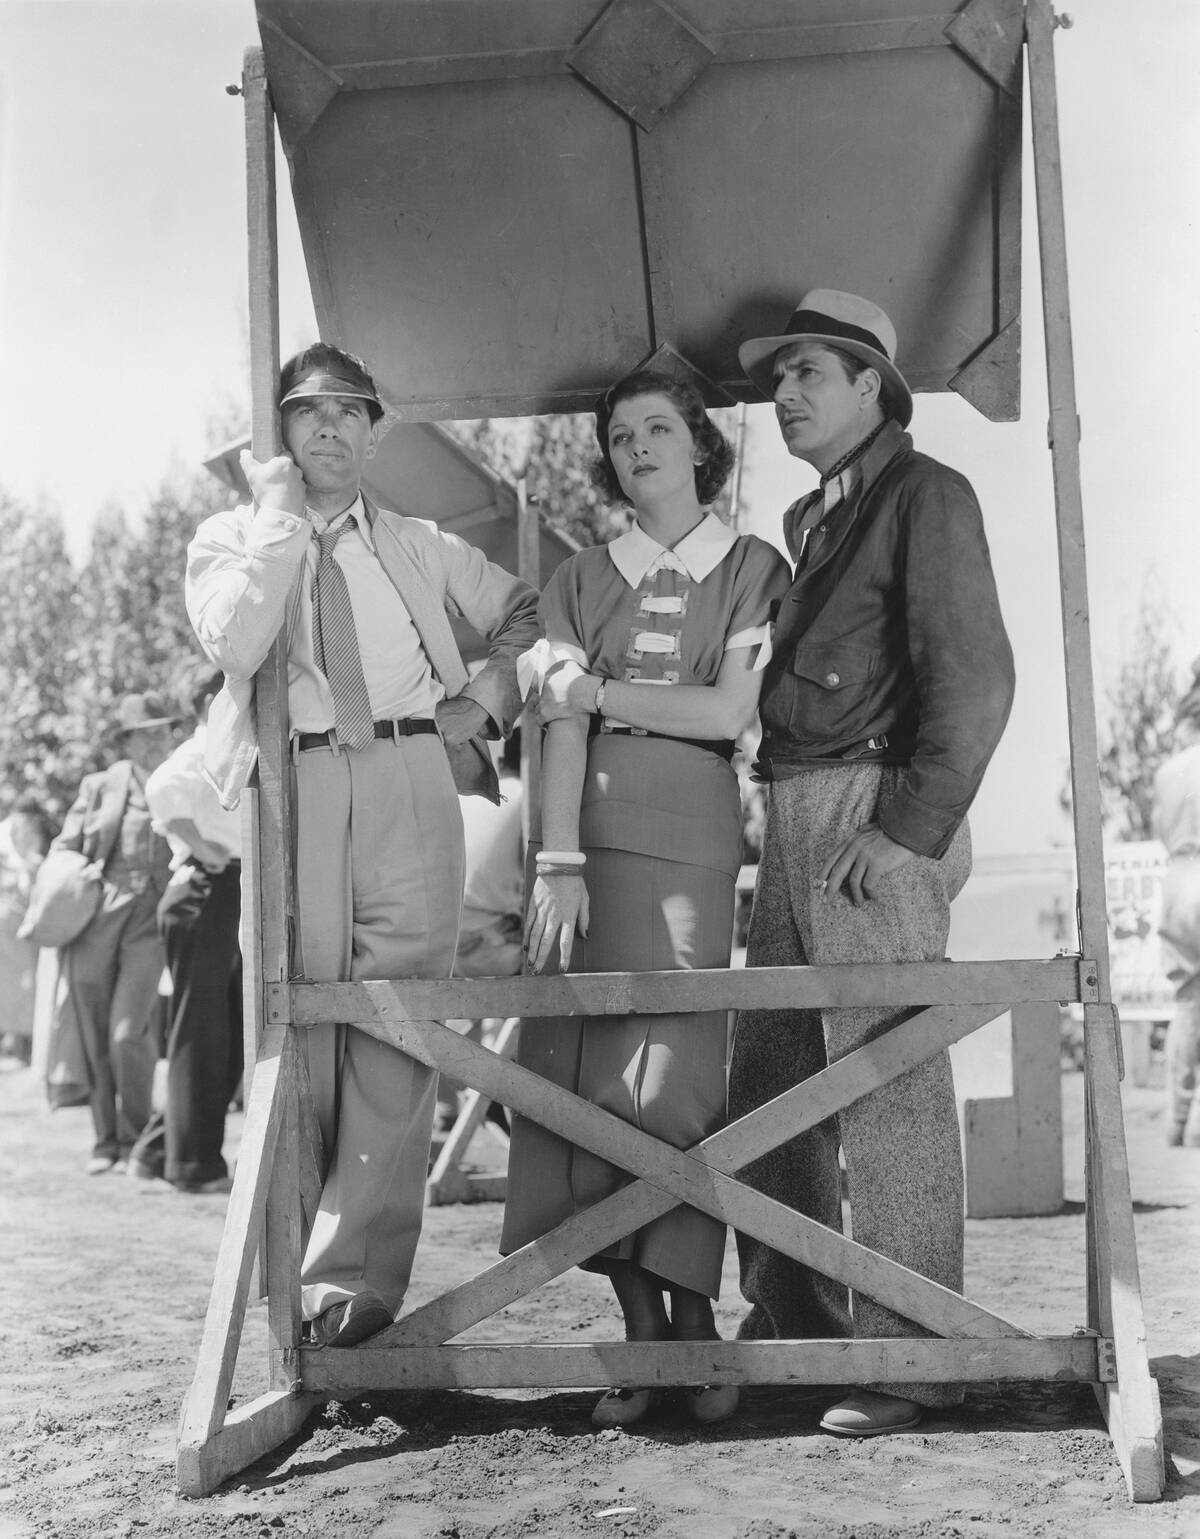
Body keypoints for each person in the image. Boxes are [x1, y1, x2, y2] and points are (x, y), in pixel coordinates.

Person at [185, 342, 539, 1348]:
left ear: (378, 430)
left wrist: (477, 705)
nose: (331, 426)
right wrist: (280, 520)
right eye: (307, 410)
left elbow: (522, 612)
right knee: (294, 1013)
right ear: (279, 433)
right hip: (291, 783)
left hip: (410, 775)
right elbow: (238, 643)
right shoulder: (229, 538)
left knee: (398, 1018)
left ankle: (354, 1288)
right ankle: (286, 1269)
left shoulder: (419, 543)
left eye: (350, 410)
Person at [728, 290, 1015, 1437]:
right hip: (794, 811)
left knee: (889, 1081)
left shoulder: (925, 493)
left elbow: (977, 679)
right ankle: (796, 1333)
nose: (784, 395)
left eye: (808, 374)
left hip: (875, 811)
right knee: (777, 1078)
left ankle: (915, 1358)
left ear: (870, 389)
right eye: (780, 377)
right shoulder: (814, 518)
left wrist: (907, 830)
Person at [500, 368, 791, 1428]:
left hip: (694, 838)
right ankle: (642, 1332)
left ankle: (695, 1329)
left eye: (658, 428)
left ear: (701, 447)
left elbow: (726, 715)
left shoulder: (753, 564)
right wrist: (559, 861)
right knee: (579, 1075)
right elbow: (560, 726)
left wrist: (601, 690)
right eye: (620, 435)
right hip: (589, 847)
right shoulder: (580, 574)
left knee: (672, 1080)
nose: (637, 446)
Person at [50, 694, 179, 1173]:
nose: (156, 740)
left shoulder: (182, 779)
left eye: (163, 730)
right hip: (96, 920)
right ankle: (107, 1142)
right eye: (145, 732)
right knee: (96, 1032)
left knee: (128, 1032)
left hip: (150, 922)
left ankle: (139, 1138)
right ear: (126, 740)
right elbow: (64, 846)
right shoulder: (100, 786)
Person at [129, 662, 244, 1192]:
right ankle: (192, 1166)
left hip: (221, 894)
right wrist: (206, 851)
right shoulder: (203, 748)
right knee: (203, 1032)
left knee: (223, 1035)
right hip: (205, 890)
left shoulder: (226, 745)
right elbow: (160, 791)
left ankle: (158, 1152)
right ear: (209, 700)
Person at [435, 728, 525, 1135]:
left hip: (446, 946)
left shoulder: (462, 797)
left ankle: (466, 1096)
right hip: (492, 948)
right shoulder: (528, 799)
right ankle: (499, 1096)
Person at [1152, 665, 1200, 1148]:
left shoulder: (1169, 771)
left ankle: (1178, 1120)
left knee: (1187, 1004)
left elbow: (1161, 830)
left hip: (1179, 879)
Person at [0, 795, 54, 1065]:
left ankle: (24, 1043)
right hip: (8, 917)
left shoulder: (30, 833)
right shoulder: (6, 834)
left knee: (27, 981)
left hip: (25, 917)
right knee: (12, 983)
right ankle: (17, 1042)